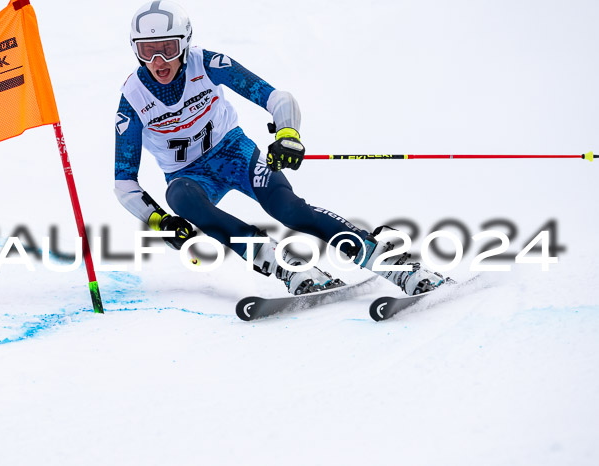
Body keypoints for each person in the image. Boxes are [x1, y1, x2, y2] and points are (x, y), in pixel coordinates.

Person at [114, 0, 445, 296]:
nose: (159, 61)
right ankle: (285, 266)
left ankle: (393, 263)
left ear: (185, 43)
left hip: (235, 154)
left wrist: (288, 134)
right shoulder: (133, 97)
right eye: (147, 51)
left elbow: (277, 98)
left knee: (290, 211)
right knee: (179, 198)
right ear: (135, 50)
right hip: (190, 176)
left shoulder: (208, 63)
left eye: (168, 48)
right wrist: (159, 221)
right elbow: (124, 182)